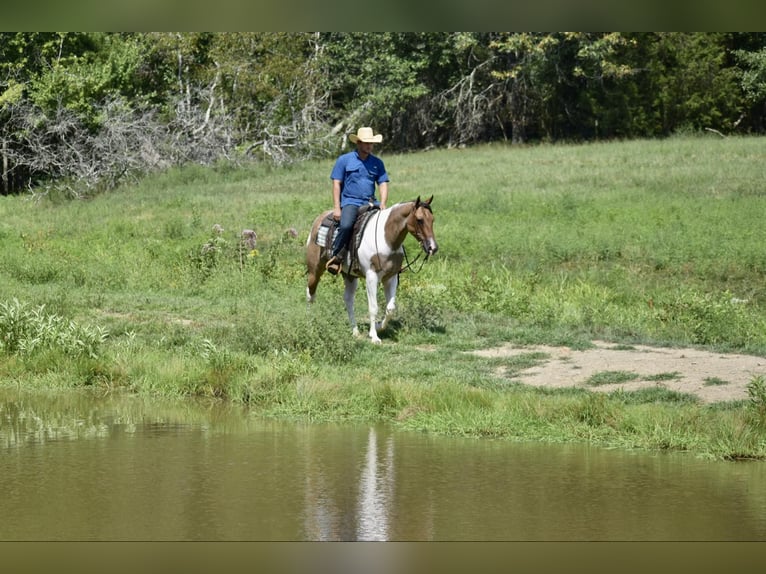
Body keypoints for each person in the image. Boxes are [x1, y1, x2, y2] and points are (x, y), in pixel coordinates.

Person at [325, 127, 390, 275]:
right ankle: (337, 256)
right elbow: (336, 183)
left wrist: (384, 203)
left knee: (391, 223)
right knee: (347, 225)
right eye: (366, 143)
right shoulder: (344, 160)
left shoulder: (377, 163)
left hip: (371, 202)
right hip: (351, 201)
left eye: (371, 143)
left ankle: (392, 259)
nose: (369, 146)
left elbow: (383, 183)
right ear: (359, 143)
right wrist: (337, 207)